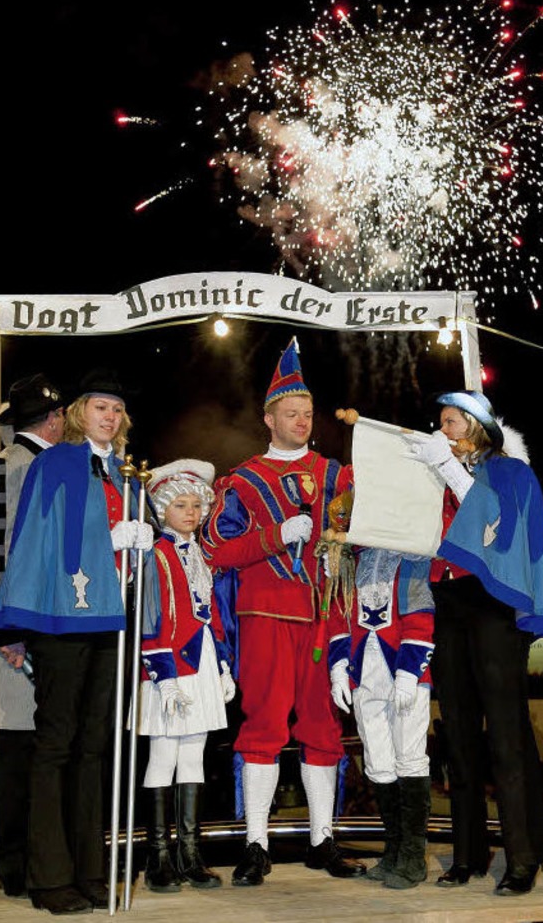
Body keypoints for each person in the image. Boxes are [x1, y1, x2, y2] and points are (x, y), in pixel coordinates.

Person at [0, 369, 159, 915]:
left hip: (112, 621)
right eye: (100, 407)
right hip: (64, 620)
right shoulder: (55, 463)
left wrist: (144, 538)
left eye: (117, 409)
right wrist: (102, 540)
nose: (109, 417)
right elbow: (33, 538)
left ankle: (90, 869)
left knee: (94, 749)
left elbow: (138, 540)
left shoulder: (127, 473)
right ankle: (49, 875)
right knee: (56, 745)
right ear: (80, 412)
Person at [202, 337, 366, 886]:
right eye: (291, 413)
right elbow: (216, 550)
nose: (302, 420)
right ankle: (255, 844)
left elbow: (359, 547)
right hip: (265, 616)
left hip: (322, 615)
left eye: (308, 413)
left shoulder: (337, 475)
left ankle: (323, 840)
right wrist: (274, 535)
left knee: (323, 727)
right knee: (263, 727)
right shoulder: (242, 481)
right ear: (268, 417)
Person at [406, 390, 543, 897]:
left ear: (474, 426)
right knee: (459, 735)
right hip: (448, 601)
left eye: (450, 422)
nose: (441, 430)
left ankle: (522, 856)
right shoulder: (438, 471)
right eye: (441, 422)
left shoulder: (509, 471)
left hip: (493, 603)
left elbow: (494, 523)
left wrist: (448, 469)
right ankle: (468, 855)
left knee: (506, 738)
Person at [0, 374, 65, 897]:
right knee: (17, 752)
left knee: (34, 750)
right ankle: (15, 865)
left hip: (38, 630)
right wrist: (6, 629)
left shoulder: (42, 466)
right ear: (51, 420)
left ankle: (35, 861)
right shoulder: (12, 467)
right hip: (17, 633)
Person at [138, 459, 235, 893]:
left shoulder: (199, 552)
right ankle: (157, 856)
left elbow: (210, 613)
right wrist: (166, 676)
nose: (191, 513)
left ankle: (190, 853)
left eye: (196, 505)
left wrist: (222, 665)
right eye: (181, 504)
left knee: (194, 755)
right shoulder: (155, 554)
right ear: (162, 510)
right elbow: (151, 619)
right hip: (168, 669)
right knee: (163, 756)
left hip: (202, 662)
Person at [328, 547, 434, 890]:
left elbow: (420, 611)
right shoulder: (352, 560)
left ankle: (413, 856)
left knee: (410, 757)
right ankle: (394, 849)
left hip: (402, 666)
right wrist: (339, 668)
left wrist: (409, 671)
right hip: (364, 669)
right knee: (378, 761)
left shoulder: (412, 554)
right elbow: (339, 615)